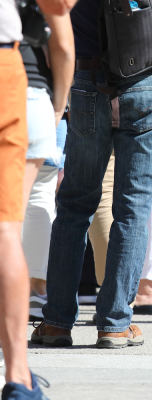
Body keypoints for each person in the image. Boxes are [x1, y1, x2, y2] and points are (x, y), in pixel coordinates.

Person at [31, 0, 152, 350]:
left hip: (87, 79)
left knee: (74, 204)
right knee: (133, 207)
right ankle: (115, 325)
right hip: (146, 81)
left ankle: (56, 322)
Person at [0, 0, 76, 398]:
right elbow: (62, 41)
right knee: (5, 229)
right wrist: (59, 108)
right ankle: (16, 374)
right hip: (15, 80)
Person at [19, 14, 74, 321]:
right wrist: (60, 107)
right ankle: (36, 288)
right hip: (38, 97)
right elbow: (64, 49)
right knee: (40, 195)